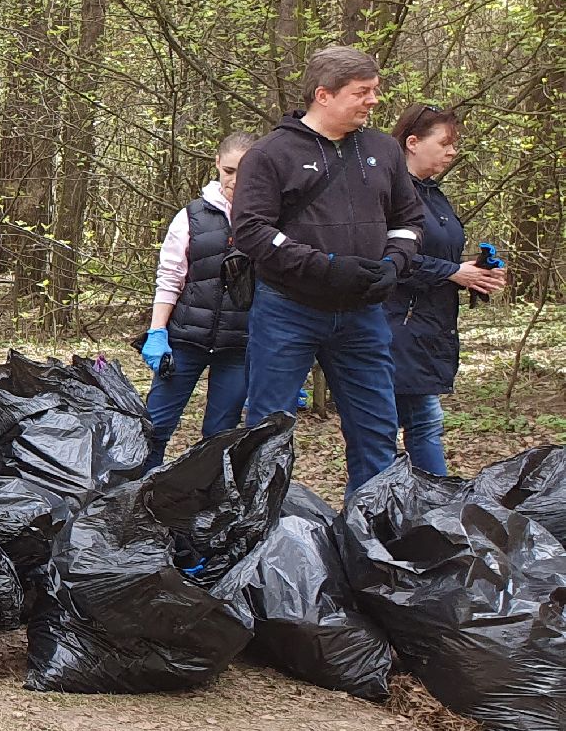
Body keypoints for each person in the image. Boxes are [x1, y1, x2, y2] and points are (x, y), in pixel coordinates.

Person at [232, 45, 425, 492]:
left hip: (363, 314)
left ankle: (371, 534)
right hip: (288, 311)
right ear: (324, 94)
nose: (374, 101)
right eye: (362, 92)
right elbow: (252, 232)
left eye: (375, 90)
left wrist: (394, 264)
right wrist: (326, 267)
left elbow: (408, 220)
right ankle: (262, 533)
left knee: (376, 428)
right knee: (268, 430)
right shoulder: (270, 154)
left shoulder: (383, 151)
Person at [387, 103, 503, 476]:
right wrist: (453, 272)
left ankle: (432, 510)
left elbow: (441, 256)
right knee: (393, 428)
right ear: (413, 142)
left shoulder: (434, 194)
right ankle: (383, 514)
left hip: (431, 326)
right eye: (446, 143)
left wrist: (477, 274)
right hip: (394, 324)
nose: (453, 151)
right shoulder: (388, 192)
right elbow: (386, 258)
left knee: (422, 424)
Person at [139, 132, 257, 463]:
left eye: (245, 172)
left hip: (239, 346)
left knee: (220, 437)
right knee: (154, 427)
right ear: (217, 164)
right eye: (229, 170)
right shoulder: (191, 217)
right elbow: (170, 278)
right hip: (185, 340)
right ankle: (137, 496)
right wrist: (158, 332)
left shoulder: (269, 219)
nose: (235, 180)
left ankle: (206, 505)